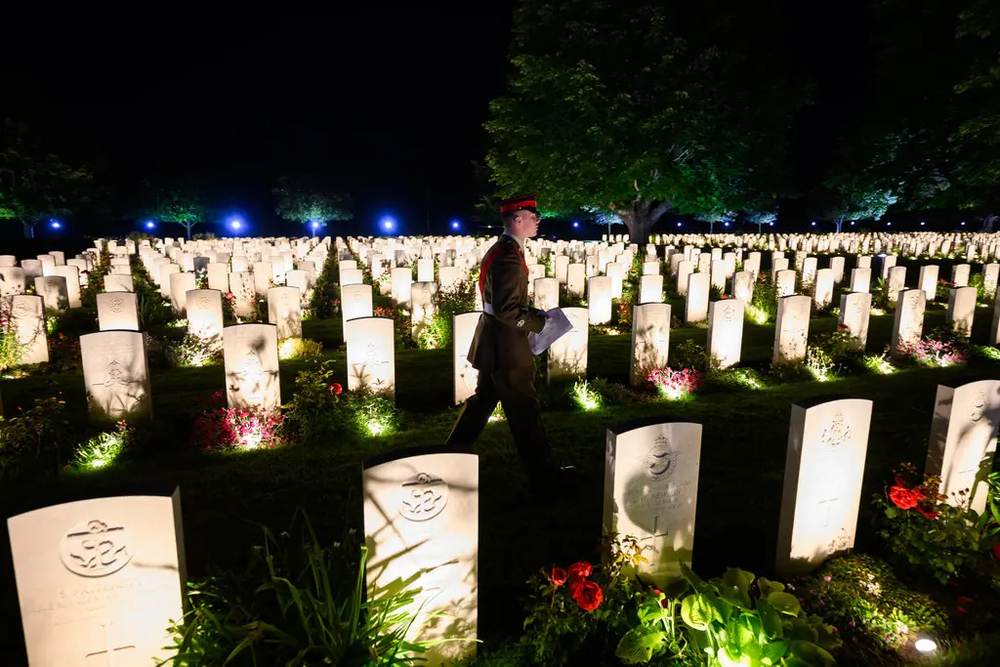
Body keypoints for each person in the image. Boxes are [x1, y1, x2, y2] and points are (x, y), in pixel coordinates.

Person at [446, 192, 575, 490]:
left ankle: (447, 457)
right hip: (506, 346)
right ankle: (545, 478)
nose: (538, 220)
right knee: (525, 411)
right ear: (518, 219)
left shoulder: (503, 248)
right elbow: (506, 309)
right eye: (533, 216)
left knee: (481, 404)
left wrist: (530, 312)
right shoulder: (508, 256)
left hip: (493, 340)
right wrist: (542, 323)